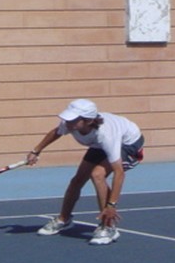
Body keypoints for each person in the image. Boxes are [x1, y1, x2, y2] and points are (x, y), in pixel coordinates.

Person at [26, 98, 144, 245]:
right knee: (77, 180)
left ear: (88, 121)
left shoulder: (106, 135)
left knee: (97, 174)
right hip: (98, 145)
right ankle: (63, 219)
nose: (68, 122)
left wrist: (111, 205)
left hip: (127, 144)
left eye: (73, 119)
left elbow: (119, 173)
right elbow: (56, 132)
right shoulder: (70, 124)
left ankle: (108, 227)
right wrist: (36, 151)